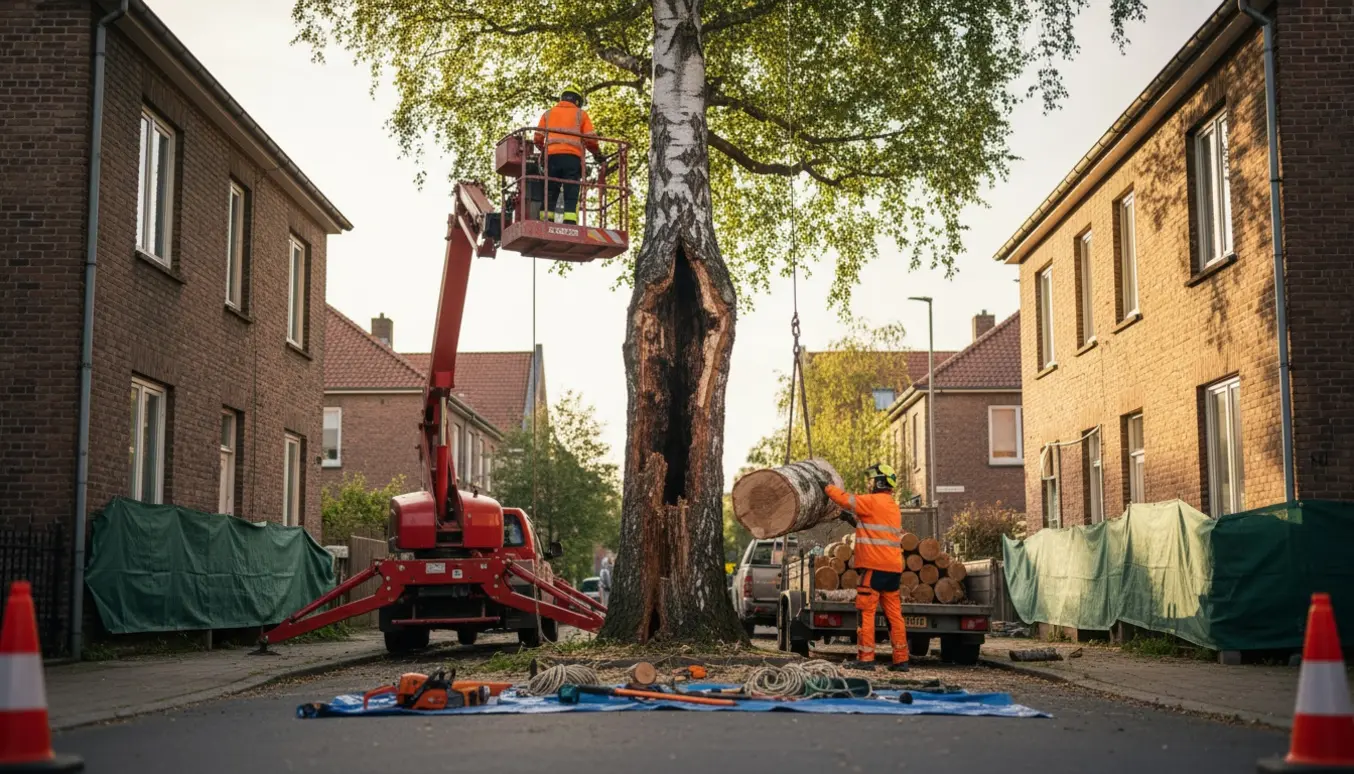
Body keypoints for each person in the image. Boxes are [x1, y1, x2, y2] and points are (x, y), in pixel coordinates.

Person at [823, 463, 910, 672]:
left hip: (873, 567)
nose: (870, 484)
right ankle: (901, 660)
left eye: (873, 480)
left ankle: (866, 658)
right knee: (894, 615)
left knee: (866, 612)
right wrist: (851, 520)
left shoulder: (871, 501)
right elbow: (874, 530)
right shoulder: (891, 506)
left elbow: (845, 499)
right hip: (893, 570)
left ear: (880, 481)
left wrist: (826, 487)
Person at [532, 84, 604, 224]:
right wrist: (597, 154)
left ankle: (546, 220)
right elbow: (591, 139)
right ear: (577, 101)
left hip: (552, 158)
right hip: (572, 159)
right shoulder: (580, 114)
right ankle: (570, 221)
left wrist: (544, 151)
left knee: (551, 190)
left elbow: (538, 138)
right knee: (571, 190)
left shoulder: (549, 113)